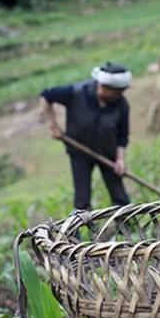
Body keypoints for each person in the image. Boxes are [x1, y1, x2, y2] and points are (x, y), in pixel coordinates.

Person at [40, 62, 132, 210]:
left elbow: (122, 135)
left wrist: (120, 160)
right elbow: (46, 96)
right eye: (101, 85)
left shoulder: (121, 105)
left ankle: (128, 228)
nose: (101, 89)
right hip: (79, 153)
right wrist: (53, 125)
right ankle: (79, 231)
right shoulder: (77, 92)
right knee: (82, 200)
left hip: (108, 154)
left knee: (120, 197)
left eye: (114, 91)